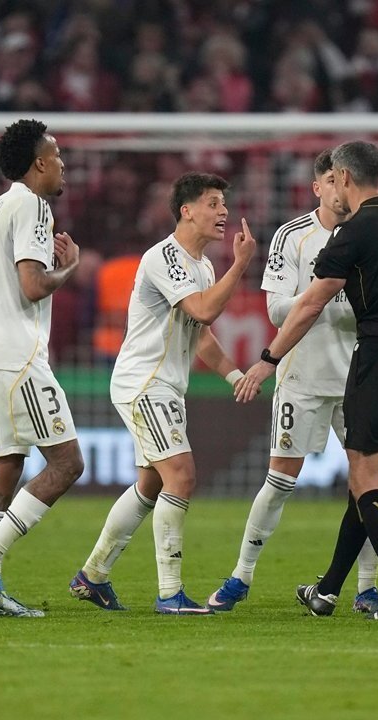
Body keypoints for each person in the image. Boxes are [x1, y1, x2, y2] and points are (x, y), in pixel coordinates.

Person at [236, 140, 378, 621]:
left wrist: (268, 358)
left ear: (344, 177)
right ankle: (327, 590)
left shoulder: (355, 230)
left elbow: (308, 304)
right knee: (364, 480)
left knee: (367, 485)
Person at [70, 172, 256, 614]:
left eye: (224, 204)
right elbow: (203, 308)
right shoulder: (164, 257)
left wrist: (234, 376)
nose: (223, 212)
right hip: (144, 383)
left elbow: (202, 335)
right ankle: (170, 594)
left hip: (166, 387)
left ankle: (92, 575)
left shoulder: (203, 266)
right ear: (186, 210)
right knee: (182, 476)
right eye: (213, 203)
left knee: (151, 484)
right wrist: (242, 265)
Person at [206, 149, 378, 613]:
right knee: (280, 479)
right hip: (301, 376)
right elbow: (276, 309)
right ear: (318, 186)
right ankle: (241, 577)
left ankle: (366, 587)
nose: (338, 189)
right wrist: (324, 295)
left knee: (368, 484)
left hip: (358, 377)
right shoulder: (293, 236)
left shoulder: (369, 232)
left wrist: (340, 304)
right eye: (329, 180)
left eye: (341, 180)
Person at [0, 119, 84, 617]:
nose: (63, 162)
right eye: (57, 153)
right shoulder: (32, 204)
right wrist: (69, 268)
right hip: (15, 355)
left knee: (4, 465)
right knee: (68, 463)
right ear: (39, 163)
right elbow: (31, 285)